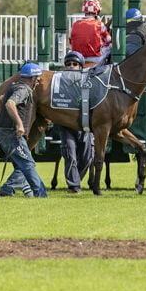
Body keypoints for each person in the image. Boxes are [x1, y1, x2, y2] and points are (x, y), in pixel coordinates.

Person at [0, 62, 47, 198]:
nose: (39, 81)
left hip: (5, 133)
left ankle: (7, 190)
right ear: (32, 78)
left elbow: (2, 99)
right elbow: (10, 103)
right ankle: (41, 194)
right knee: (28, 164)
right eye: (38, 78)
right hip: (11, 134)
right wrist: (19, 124)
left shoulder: (14, 87)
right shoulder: (23, 89)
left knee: (23, 164)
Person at [55, 52, 96, 194]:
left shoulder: (89, 82)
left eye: (75, 64)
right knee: (70, 154)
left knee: (87, 156)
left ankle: (75, 180)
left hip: (85, 126)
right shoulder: (59, 83)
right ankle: (74, 186)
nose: (71, 67)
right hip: (66, 125)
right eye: (68, 64)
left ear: (80, 66)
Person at [68, 0, 112, 64]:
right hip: (96, 59)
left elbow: (70, 42)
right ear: (96, 12)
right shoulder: (99, 24)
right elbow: (108, 40)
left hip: (77, 58)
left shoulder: (74, 24)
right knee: (112, 45)